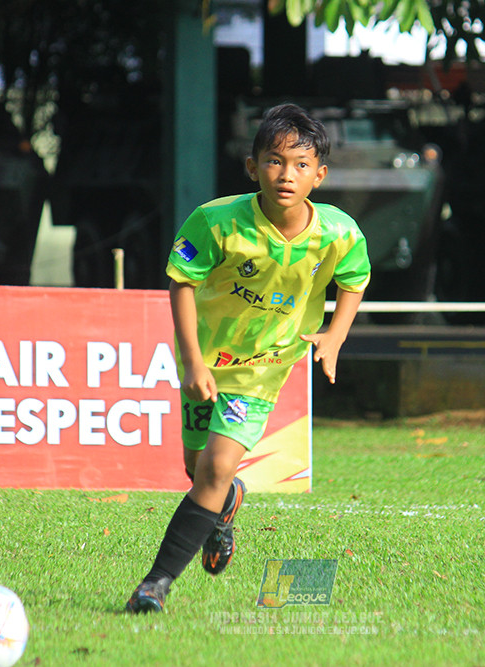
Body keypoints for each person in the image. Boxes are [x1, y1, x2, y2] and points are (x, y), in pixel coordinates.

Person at [127, 103, 371, 613]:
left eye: (301, 164)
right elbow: (181, 283)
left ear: (319, 175)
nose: (287, 175)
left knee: (214, 467)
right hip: (205, 361)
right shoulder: (216, 221)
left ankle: (155, 584)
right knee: (199, 471)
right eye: (275, 161)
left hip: (262, 370)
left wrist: (335, 336)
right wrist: (193, 362)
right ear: (252, 166)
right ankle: (225, 505)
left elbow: (354, 279)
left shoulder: (339, 233)